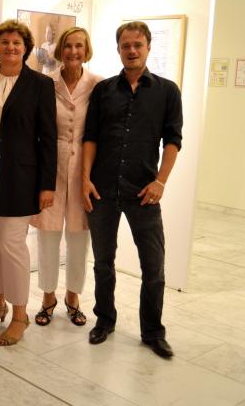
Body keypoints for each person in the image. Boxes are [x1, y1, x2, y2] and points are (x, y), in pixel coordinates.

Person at [82, 21, 182, 359]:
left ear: (149, 46)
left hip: (144, 192)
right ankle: (104, 320)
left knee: (154, 266)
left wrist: (161, 181)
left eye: (138, 44)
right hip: (103, 190)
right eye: (126, 45)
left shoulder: (167, 91)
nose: (132, 50)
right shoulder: (104, 90)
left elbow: (173, 141)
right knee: (103, 263)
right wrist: (85, 179)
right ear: (119, 49)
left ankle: (153, 332)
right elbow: (90, 138)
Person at [0, 20, 57, 346]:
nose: (11, 48)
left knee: (12, 245)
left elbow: (49, 139)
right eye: (5, 42)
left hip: (19, 176)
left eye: (17, 43)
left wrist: (47, 185)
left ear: (26, 48)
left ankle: (20, 315)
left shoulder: (40, 85)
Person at [30, 27, 102, 327]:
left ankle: (73, 297)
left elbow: (99, 132)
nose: (74, 51)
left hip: (84, 167)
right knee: (47, 235)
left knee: (79, 237)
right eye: (69, 46)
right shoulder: (46, 84)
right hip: (50, 165)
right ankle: (48, 297)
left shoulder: (98, 84)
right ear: (60, 50)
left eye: (79, 46)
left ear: (87, 50)